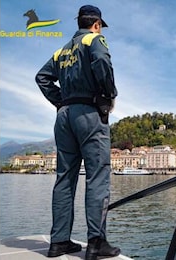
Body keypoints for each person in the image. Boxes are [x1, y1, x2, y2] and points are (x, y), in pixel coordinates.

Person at [35, 4, 120, 259]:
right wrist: (108, 94)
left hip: (64, 117)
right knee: (97, 176)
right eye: (99, 26)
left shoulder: (61, 51)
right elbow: (102, 61)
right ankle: (96, 243)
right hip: (88, 114)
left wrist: (60, 100)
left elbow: (42, 77)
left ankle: (59, 242)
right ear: (96, 24)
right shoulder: (95, 39)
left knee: (64, 178)